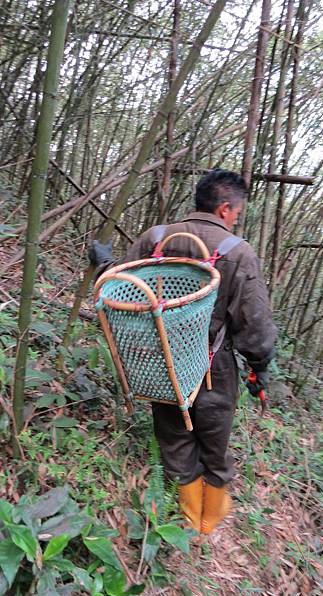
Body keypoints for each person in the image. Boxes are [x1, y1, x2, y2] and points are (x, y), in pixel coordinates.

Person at [89, 169, 277, 534]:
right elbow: (253, 322)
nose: (236, 220)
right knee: (215, 442)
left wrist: (103, 263)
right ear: (225, 208)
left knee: (174, 437)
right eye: (237, 213)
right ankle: (210, 522)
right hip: (212, 366)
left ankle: (189, 520)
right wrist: (260, 365)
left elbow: (122, 287)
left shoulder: (156, 238)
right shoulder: (238, 253)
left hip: (160, 360)